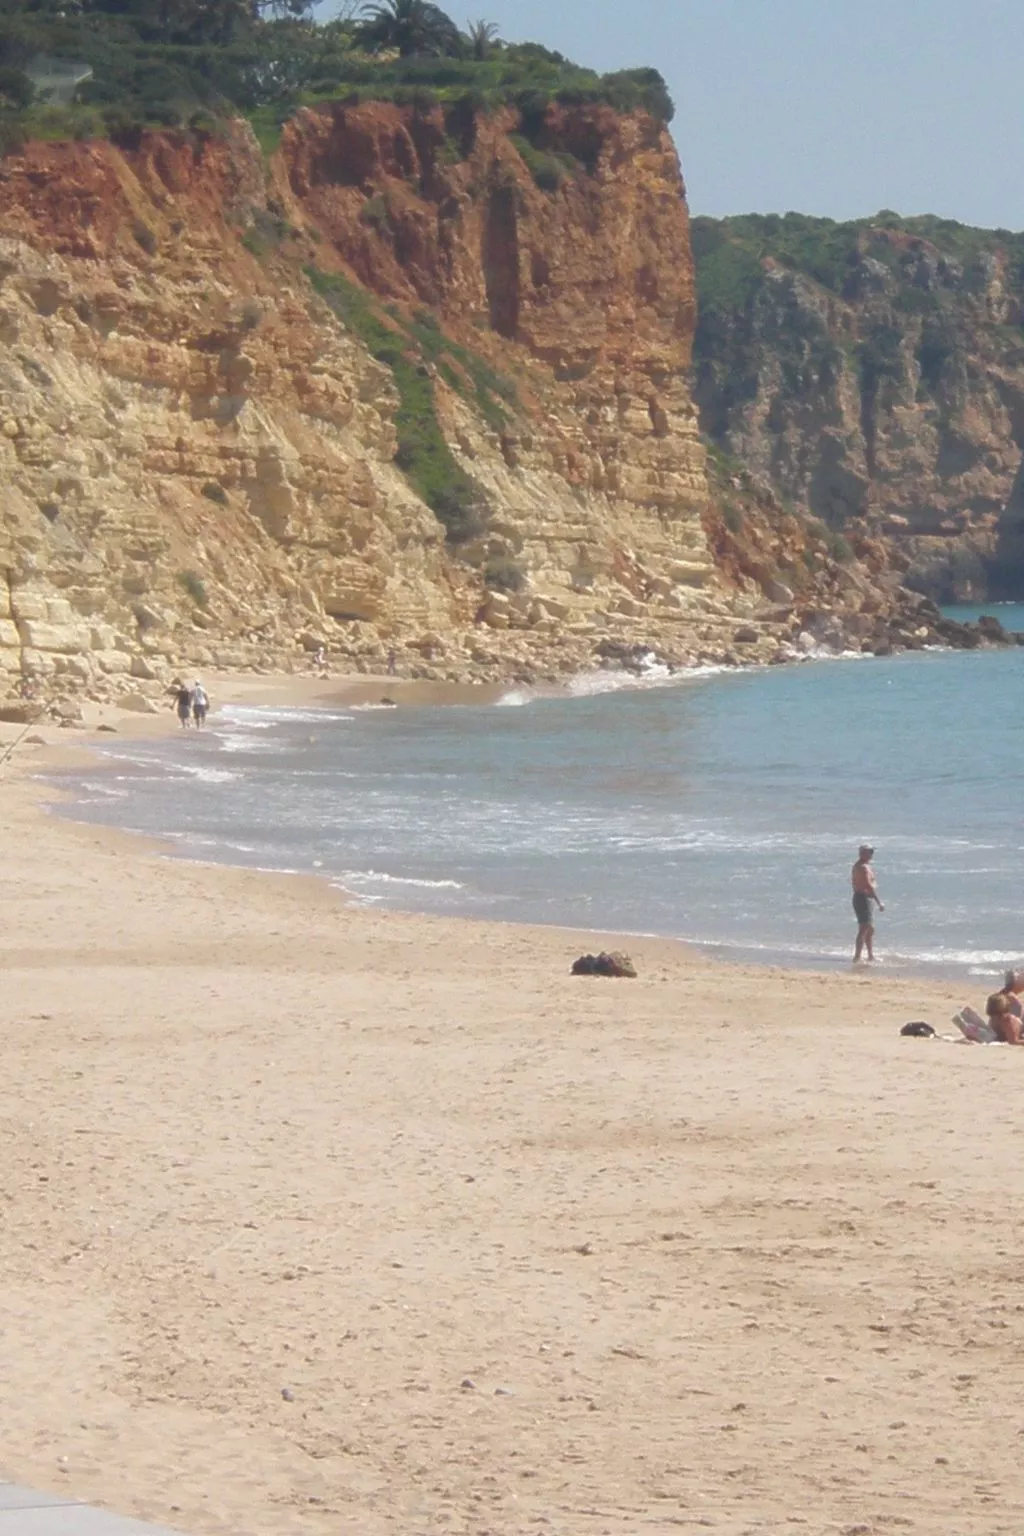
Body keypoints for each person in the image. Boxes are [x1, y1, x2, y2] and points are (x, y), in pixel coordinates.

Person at [851, 844, 884, 963]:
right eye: (869, 852)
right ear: (863, 853)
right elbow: (867, 885)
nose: (871, 854)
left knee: (869, 929)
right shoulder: (862, 867)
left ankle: (870, 955)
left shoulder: (863, 866)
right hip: (863, 898)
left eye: (872, 852)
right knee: (864, 928)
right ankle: (857, 957)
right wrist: (879, 902)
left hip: (864, 898)